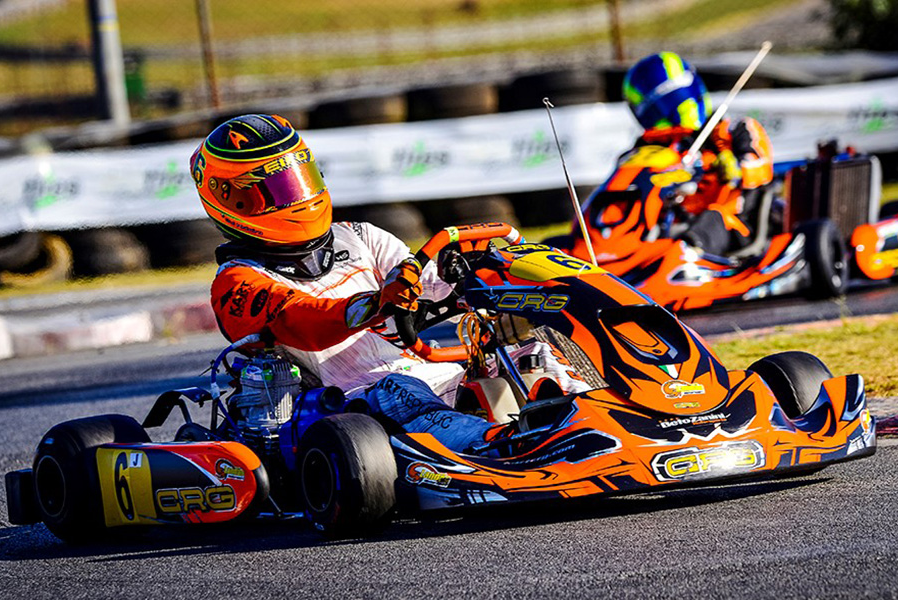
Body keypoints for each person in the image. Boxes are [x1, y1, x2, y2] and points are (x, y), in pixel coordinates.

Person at [191, 114, 587, 453]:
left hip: (435, 377)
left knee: (532, 354)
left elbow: (430, 284)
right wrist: (377, 302)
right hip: (348, 409)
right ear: (232, 199)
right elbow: (303, 322)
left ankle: (591, 427)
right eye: (279, 190)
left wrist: (476, 277)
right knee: (399, 388)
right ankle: (498, 447)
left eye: (302, 180)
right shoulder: (237, 282)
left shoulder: (360, 236)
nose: (300, 197)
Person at [621, 51, 774, 255]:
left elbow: (761, 166)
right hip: (672, 229)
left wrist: (734, 168)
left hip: (731, 224)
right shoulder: (649, 150)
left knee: (711, 219)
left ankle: (686, 258)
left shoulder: (735, 131)